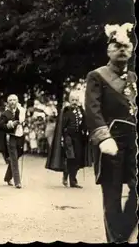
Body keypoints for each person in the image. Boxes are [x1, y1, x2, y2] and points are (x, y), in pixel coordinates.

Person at [84, 22, 137, 243]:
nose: (122, 50)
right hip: (111, 141)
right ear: (109, 50)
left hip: (134, 142)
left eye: (126, 46)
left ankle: (122, 233)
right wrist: (104, 137)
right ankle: (116, 240)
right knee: (112, 194)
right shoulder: (97, 76)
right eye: (117, 46)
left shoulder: (134, 78)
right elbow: (92, 109)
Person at [45, 90, 92, 188]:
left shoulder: (81, 110)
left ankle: (69, 176)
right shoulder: (66, 111)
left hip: (78, 138)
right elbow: (62, 126)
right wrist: (62, 138)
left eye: (76, 100)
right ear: (70, 100)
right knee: (71, 158)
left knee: (78, 158)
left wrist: (86, 130)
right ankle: (71, 180)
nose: (74, 102)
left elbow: (85, 123)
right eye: (73, 100)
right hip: (68, 138)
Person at [0, 94, 26, 188]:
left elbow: (22, 121)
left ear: (17, 101)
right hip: (11, 137)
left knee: (17, 156)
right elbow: (1, 126)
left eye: (14, 100)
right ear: (8, 102)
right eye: (10, 100)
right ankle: (17, 181)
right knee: (14, 158)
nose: (13, 102)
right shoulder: (5, 113)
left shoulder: (21, 110)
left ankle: (7, 177)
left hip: (20, 136)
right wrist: (10, 125)